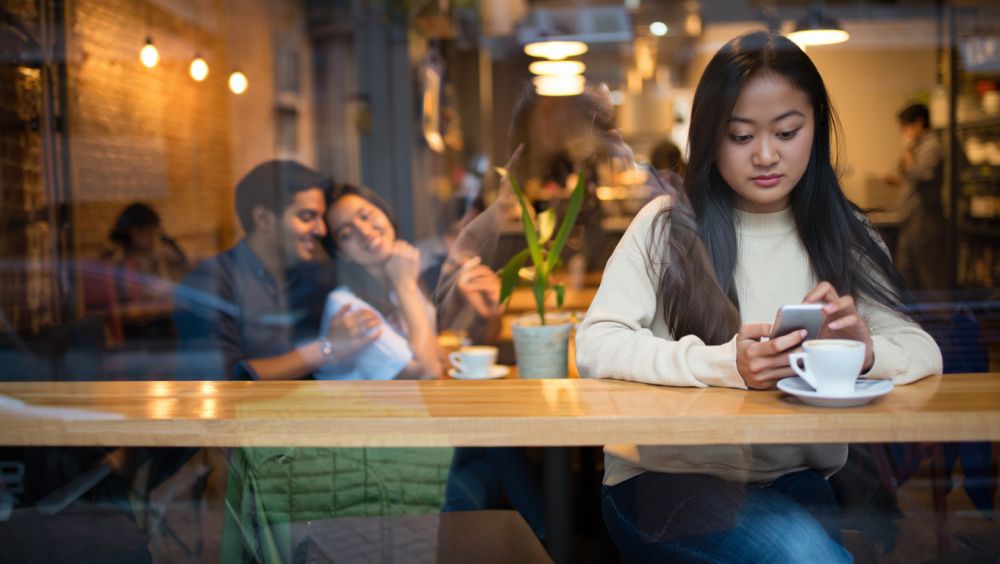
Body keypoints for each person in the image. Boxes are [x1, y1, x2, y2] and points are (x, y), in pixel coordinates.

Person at [575, 31, 943, 563]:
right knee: (810, 557)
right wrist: (726, 363)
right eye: (741, 136)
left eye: (787, 132)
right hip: (663, 484)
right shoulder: (666, 225)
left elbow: (921, 351)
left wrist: (864, 351)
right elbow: (596, 344)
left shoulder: (844, 232)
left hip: (793, 478)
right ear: (709, 138)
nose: (766, 155)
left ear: (816, 126)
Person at [173, 160, 380, 380]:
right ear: (263, 219)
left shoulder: (316, 277)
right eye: (307, 217)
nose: (321, 230)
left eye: (321, 218)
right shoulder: (209, 282)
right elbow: (225, 379)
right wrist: (327, 349)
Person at [319, 182, 441, 379]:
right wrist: (406, 288)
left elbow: (434, 350)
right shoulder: (346, 306)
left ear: (385, 214)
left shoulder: (398, 275)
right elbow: (428, 374)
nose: (365, 231)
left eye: (366, 216)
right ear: (341, 253)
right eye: (346, 234)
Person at [889, 103, 948, 292]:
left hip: (924, 218)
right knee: (905, 270)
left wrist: (907, 150)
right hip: (911, 217)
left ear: (919, 123)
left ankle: (939, 312)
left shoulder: (931, 146)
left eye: (906, 126)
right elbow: (910, 177)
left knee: (928, 274)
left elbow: (921, 175)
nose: (904, 132)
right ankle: (912, 310)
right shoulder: (919, 146)